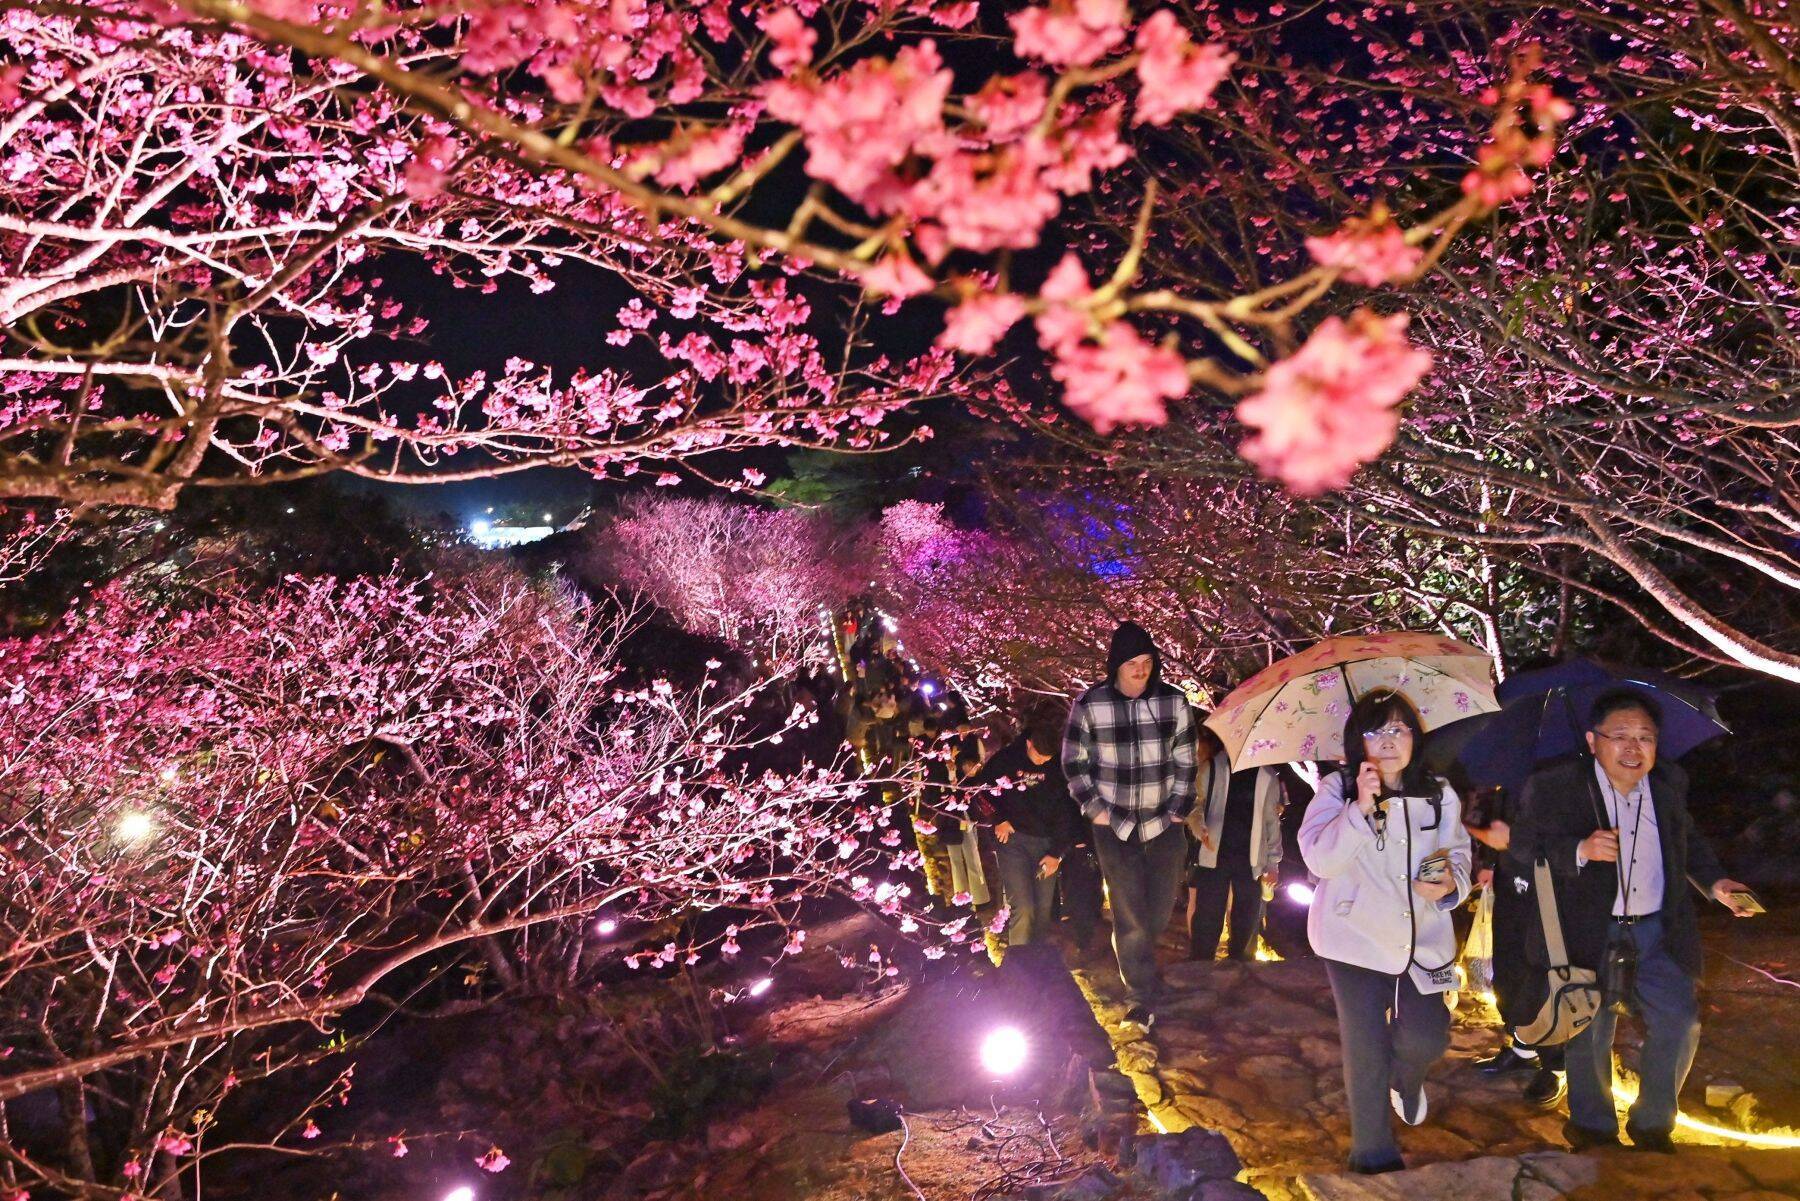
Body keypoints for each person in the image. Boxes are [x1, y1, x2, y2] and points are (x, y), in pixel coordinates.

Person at [1511, 689, 1757, 1155]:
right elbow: (1522, 845)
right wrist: (1579, 849)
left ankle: (1653, 1125)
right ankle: (1593, 1128)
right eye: (1620, 735)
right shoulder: (1556, 786)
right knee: (1589, 1028)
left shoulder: (1667, 784)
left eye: (1645, 737)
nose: (1633, 747)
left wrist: (1716, 883)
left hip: (1657, 929)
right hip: (1587, 930)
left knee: (1679, 1019)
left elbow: (1688, 843)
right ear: (1592, 740)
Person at [1298, 691, 1472, 1175]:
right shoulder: (1336, 789)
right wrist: (1360, 808)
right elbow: (1320, 859)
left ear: (1415, 737)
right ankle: (1372, 1151)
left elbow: (1457, 851)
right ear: (1359, 741)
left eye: (1398, 729)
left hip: (1421, 937)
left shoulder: (1438, 791)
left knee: (1427, 1037)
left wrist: (1450, 884)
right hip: (1352, 937)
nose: (1389, 741)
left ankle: (1406, 1079)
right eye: (1375, 732)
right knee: (1365, 1042)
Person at [1063, 621, 1199, 1028]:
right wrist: (1096, 810)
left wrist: (1178, 809)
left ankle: (1141, 963)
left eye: (1147, 662)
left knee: (1157, 910)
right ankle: (1139, 994)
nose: (1141, 670)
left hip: (1164, 823)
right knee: (1129, 913)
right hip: (1114, 825)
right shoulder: (1092, 704)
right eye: (1132, 663)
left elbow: (1186, 759)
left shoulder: (1173, 702)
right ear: (1116, 665)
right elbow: (1074, 761)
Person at [1465, 787, 1566, 1110]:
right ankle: (1524, 1049)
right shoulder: (1514, 768)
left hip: (1553, 882)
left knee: (1545, 977)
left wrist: (1514, 839)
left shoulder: (1570, 775)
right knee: (1508, 971)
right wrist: (1489, 860)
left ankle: (1556, 1065)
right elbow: (1498, 807)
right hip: (1511, 875)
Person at [970, 704, 1079, 948]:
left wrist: (1057, 853)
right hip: (1013, 842)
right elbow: (981, 791)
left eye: (1047, 759)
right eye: (1038, 756)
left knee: (1042, 910)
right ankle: (1020, 962)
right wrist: (999, 818)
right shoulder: (1006, 759)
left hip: (1046, 844)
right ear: (1029, 743)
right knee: (1023, 906)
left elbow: (1067, 812)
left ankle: (1037, 957)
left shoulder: (1059, 767)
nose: (1041, 762)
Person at [1187, 724, 1285, 961]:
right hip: (1213, 853)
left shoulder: (1266, 776)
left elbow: (1271, 821)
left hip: (1250, 857)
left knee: (1247, 918)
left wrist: (1273, 863)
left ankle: (1242, 966)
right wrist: (1199, 826)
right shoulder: (1211, 768)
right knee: (1207, 915)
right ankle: (1200, 966)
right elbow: (1194, 803)